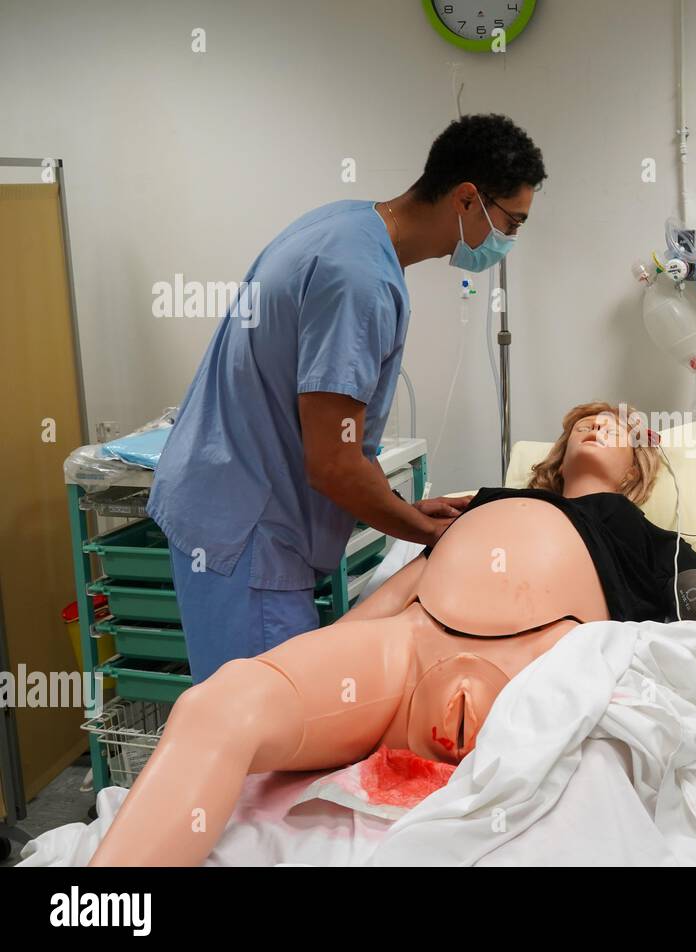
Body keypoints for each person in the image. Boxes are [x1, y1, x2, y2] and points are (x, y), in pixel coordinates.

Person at [89, 402, 696, 866]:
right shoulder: (488, 501)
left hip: (553, 663)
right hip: (410, 643)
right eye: (583, 422)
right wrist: (320, 657)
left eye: (618, 426)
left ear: (636, 470)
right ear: (557, 453)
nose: (600, 423)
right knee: (219, 702)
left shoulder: (647, 532)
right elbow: (406, 583)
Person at [148, 114, 546, 681]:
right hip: (250, 538)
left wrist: (402, 509)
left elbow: (331, 438)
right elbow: (334, 464)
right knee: (264, 735)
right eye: (513, 222)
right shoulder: (359, 279)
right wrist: (422, 530)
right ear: (466, 199)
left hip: (225, 506)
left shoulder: (347, 225)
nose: (509, 240)